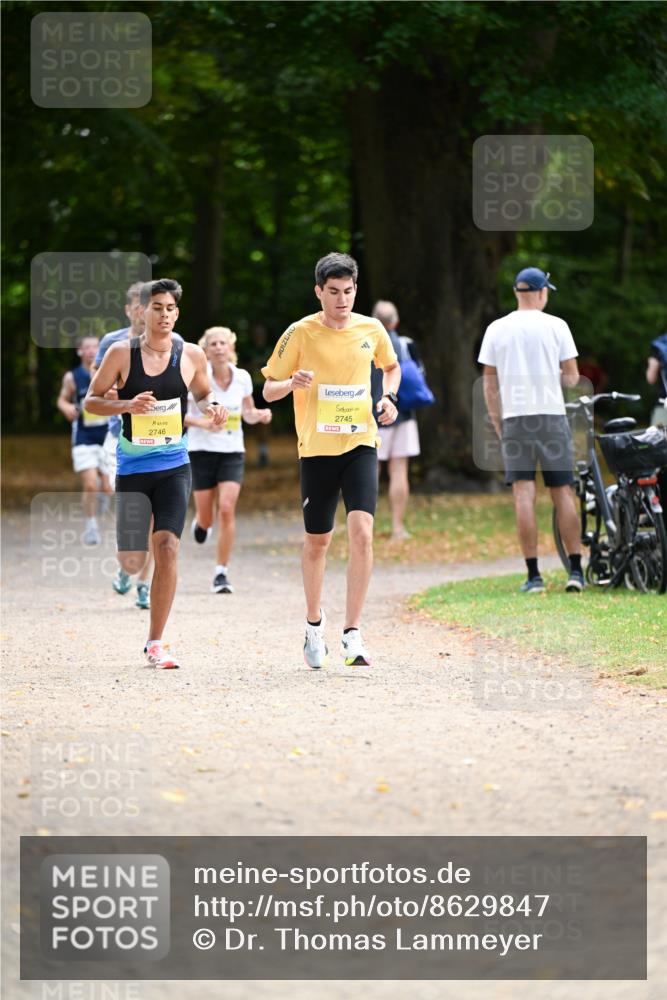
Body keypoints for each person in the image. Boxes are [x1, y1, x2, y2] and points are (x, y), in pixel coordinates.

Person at [262, 252, 400, 668]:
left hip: (360, 442)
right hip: (317, 449)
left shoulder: (371, 329)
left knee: (362, 532)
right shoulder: (299, 333)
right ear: (319, 291)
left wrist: (388, 397)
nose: (342, 300)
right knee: (318, 541)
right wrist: (292, 381)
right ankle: (313, 626)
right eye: (334, 292)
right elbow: (267, 390)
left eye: (349, 291)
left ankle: (353, 633)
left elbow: (391, 368)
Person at [85, 278, 227, 669]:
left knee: (167, 546)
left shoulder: (191, 353)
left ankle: (156, 641)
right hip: (132, 467)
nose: (164, 315)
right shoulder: (120, 353)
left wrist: (213, 405)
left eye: (170, 309)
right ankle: (134, 562)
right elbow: (92, 402)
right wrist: (127, 405)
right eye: (157, 308)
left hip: (174, 466)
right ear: (141, 312)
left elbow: (203, 392)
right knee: (133, 559)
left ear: (177, 313)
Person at [478, 266, 583, 593]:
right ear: (541, 292)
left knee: (523, 494)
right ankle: (576, 571)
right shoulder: (557, 326)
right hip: (551, 416)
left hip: (516, 419)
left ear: (516, 293)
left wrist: (499, 421)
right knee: (562, 491)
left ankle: (534, 576)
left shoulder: (497, 328)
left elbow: (489, 384)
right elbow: (573, 377)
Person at [185, 326, 272, 593]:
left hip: (233, 450)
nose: (219, 347)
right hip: (201, 450)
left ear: (231, 348)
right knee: (207, 517)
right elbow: (178, 415)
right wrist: (202, 423)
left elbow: (247, 412)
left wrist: (258, 415)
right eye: (213, 344)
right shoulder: (197, 377)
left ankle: (221, 573)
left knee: (226, 508)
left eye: (223, 343)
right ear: (206, 350)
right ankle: (201, 524)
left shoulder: (243, 377)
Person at [372, 300, 421, 540]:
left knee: (370, 469)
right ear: (396, 321)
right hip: (405, 414)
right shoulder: (406, 345)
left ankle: (365, 527)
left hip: (374, 415)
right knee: (399, 470)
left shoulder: (365, 343)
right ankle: (398, 528)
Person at [56, 335, 111, 546]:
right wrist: (67, 407)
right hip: (83, 437)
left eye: (95, 347)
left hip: (108, 436)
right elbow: (61, 399)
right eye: (86, 347)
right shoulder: (72, 377)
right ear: (79, 351)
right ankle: (91, 526)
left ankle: (103, 493)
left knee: (107, 487)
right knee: (90, 485)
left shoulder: (109, 372)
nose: (91, 351)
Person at [646, 330, 667, 427]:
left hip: (663, 404)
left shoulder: (660, 345)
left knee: (657, 439)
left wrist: (652, 363)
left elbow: (651, 379)